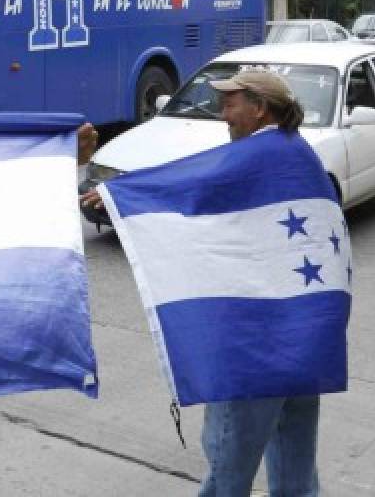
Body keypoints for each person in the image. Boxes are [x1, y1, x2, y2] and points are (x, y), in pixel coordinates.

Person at [82, 69, 319, 497]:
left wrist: (120, 192)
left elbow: (195, 179)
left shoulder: (257, 154)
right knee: (295, 465)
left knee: (228, 464)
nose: (223, 114)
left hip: (256, 347)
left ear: (260, 107)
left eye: (230, 104)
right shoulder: (297, 152)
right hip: (303, 340)